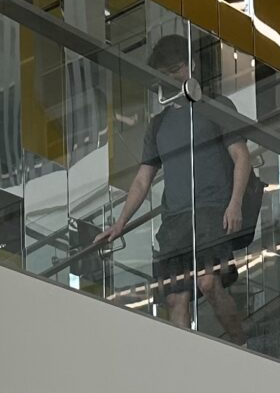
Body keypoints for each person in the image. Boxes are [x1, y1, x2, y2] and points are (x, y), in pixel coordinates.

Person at [94, 33, 253, 341]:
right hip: (175, 221)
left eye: (175, 69)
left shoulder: (217, 105)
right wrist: (120, 223)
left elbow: (241, 157)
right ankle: (186, 369)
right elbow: (143, 179)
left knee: (209, 283)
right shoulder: (158, 124)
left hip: (211, 212)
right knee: (175, 298)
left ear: (190, 65)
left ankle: (241, 342)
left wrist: (234, 203)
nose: (170, 78)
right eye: (164, 73)